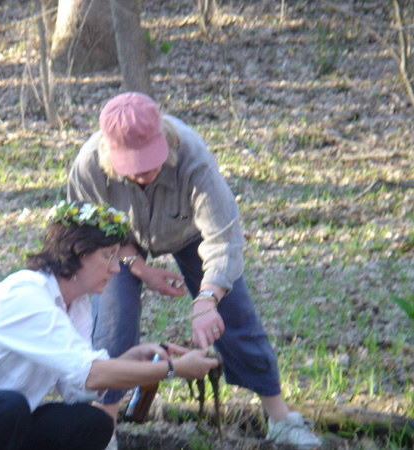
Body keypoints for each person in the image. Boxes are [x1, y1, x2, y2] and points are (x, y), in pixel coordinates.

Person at [67, 92, 323, 449]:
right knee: (114, 318)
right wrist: (139, 268)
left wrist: (207, 300)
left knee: (233, 314)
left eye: (151, 162)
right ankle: (103, 427)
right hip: (117, 243)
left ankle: (280, 419)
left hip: (189, 232)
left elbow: (223, 238)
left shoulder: (192, 155)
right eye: (133, 166)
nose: (143, 174)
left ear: (164, 142)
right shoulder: (89, 168)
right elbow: (92, 238)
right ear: (110, 155)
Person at [0, 200, 219, 450]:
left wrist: (132, 357)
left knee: (90, 423)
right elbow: (91, 372)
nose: (116, 269)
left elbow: (77, 386)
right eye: (108, 257)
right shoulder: (26, 295)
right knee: (7, 407)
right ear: (76, 254)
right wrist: (173, 369)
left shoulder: (75, 304)